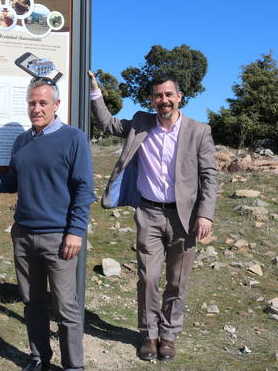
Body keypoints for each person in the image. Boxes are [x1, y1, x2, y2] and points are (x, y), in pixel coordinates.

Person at [0, 77, 95, 371]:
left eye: (43, 102)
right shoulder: (22, 141)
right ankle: (39, 358)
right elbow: (11, 182)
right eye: (32, 103)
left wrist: (75, 231)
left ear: (56, 105)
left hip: (59, 238)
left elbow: (84, 188)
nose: (36, 108)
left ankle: (74, 366)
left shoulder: (74, 138)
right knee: (32, 302)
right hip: (23, 235)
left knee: (65, 307)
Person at [87, 70, 218, 361]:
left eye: (169, 94)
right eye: (158, 95)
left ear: (179, 97)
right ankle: (149, 335)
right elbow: (108, 124)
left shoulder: (199, 131)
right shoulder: (140, 123)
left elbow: (210, 176)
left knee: (177, 280)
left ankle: (169, 336)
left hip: (184, 218)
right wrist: (96, 91)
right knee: (148, 278)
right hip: (148, 212)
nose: (164, 100)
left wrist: (205, 215)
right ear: (152, 99)